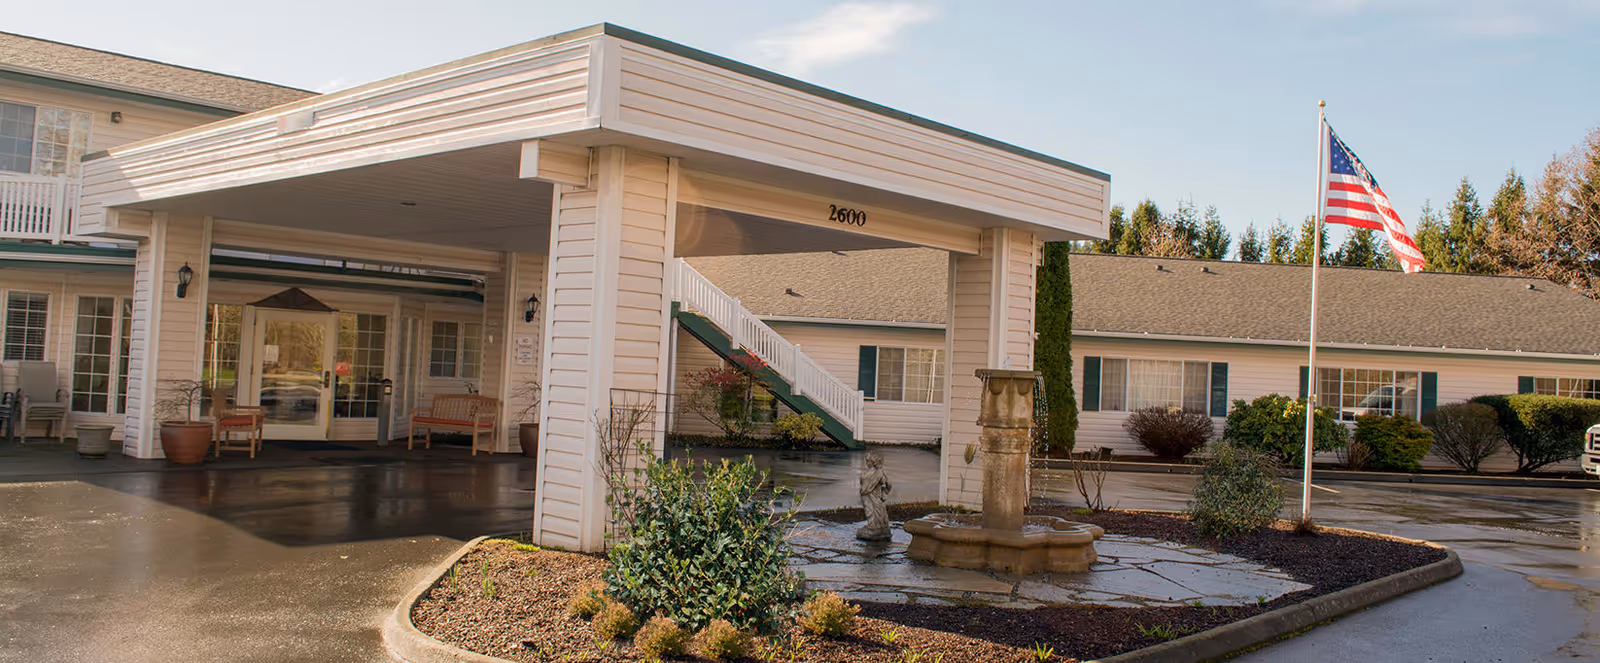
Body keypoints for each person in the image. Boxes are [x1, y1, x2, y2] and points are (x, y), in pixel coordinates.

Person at [856, 451, 893, 541]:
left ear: (873, 462)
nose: (866, 463)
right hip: (873, 496)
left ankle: (874, 528)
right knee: (877, 510)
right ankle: (881, 527)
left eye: (868, 461)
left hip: (871, 496)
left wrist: (884, 493)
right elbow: (888, 484)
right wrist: (884, 492)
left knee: (872, 511)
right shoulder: (879, 472)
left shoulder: (877, 473)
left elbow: (887, 484)